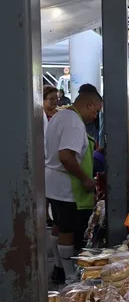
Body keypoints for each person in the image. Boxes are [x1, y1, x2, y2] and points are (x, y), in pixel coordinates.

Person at [45, 83, 102, 279]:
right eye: (96, 111)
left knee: (59, 225)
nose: (95, 116)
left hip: (53, 184)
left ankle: (59, 268)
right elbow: (66, 156)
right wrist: (85, 179)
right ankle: (70, 278)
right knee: (68, 229)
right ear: (88, 105)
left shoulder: (62, 115)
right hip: (66, 185)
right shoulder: (74, 123)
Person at [42, 84, 63, 282]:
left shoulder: (59, 116)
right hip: (46, 164)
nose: (55, 103)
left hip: (53, 166)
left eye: (57, 99)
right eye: (51, 100)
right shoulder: (38, 116)